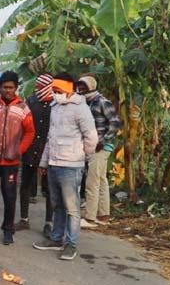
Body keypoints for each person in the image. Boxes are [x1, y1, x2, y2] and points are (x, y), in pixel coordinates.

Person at [33, 73, 97, 261]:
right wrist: (44, 162)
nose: (55, 93)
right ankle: (56, 238)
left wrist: (84, 156)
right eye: (54, 90)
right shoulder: (55, 107)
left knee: (72, 208)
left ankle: (71, 243)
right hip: (54, 163)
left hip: (71, 166)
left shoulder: (81, 109)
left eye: (58, 90)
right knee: (57, 205)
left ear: (69, 89)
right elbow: (50, 138)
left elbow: (91, 137)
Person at [0, 71, 35, 245]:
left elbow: (30, 132)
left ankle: (8, 230)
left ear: (16, 88)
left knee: (9, 196)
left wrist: (19, 150)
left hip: (11, 162)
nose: (7, 91)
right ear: (0, 87)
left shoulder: (23, 109)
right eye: (4, 87)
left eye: (11, 87)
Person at [77, 75, 121, 227]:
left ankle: (89, 218)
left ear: (91, 87)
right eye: (79, 86)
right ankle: (103, 216)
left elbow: (115, 123)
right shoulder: (84, 102)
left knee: (92, 182)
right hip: (91, 145)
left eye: (84, 87)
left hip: (101, 146)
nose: (81, 89)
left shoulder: (102, 101)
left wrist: (103, 141)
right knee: (101, 181)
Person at [17, 74, 55, 238]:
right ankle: (24, 219)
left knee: (49, 190)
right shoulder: (31, 102)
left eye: (41, 86)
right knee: (25, 184)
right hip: (30, 149)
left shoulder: (56, 103)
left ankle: (48, 223)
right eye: (37, 86)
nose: (38, 89)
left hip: (48, 150)